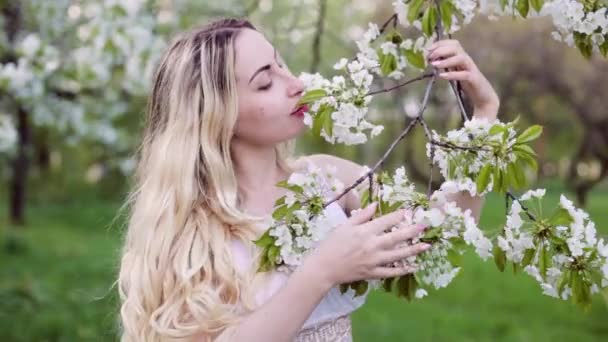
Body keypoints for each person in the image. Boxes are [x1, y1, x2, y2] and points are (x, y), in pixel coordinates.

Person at [117, 17, 499, 342]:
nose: (295, 82)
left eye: (281, 64)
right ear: (216, 115)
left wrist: (483, 114)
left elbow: (439, 235)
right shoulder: (194, 225)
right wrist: (322, 270)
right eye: (265, 81)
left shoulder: (328, 180)